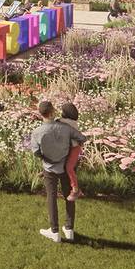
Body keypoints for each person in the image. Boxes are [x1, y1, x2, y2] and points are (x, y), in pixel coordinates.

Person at [31, 101, 86, 243]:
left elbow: (36, 152)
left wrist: (45, 158)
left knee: (51, 197)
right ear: (53, 111)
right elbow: (82, 138)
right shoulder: (66, 128)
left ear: (41, 114)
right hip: (65, 167)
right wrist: (70, 149)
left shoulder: (36, 132)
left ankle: (54, 232)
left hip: (49, 168)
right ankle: (69, 230)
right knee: (69, 196)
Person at [58, 103, 85, 201]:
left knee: (69, 167)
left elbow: (60, 122)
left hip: (74, 148)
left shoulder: (69, 123)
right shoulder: (71, 122)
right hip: (69, 147)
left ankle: (75, 189)